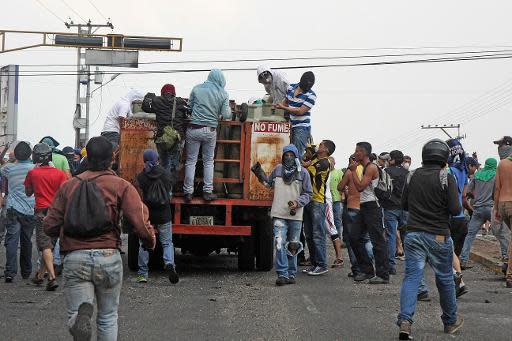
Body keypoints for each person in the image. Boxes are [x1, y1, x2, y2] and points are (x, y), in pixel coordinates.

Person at [44, 136, 156, 341]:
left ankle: (78, 318)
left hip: (75, 257)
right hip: (108, 256)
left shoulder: (69, 186)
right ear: (112, 158)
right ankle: (80, 318)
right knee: (107, 318)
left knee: (75, 314)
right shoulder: (121, 186)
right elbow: (140, 222)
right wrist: (150, 241)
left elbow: (49, 226)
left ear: (87, 157)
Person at [397, 139, 464, 340]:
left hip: (414, 233)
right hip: (439, 235)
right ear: (444, 157)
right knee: (444, 278)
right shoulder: (446, 177)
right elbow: (455, 209)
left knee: (411, 277)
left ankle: (405, 321)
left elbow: (404, 205)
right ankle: (450, 322)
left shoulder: (413, 175)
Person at [252, 144, 312, 285]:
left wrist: (297, 203)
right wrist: (259, 173)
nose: (289, 158)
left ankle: (291, 274)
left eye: (292, 155)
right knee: (279, 243)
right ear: (283, 156)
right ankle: (282, 274)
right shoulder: (278, 169)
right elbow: (268, 185)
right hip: (279, 214)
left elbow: (309, 193)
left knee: (293, 245)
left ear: (296, 156)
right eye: (286, 155)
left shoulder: (303, 172)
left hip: (295, 215)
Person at [183, 69, 231, 202]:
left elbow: (190, 108)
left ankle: (188, 192)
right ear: (221, 80)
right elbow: (227, 115)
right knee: (208, 162)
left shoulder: (197, 89)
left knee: (191, 161)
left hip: (193, 129)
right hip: (210, 131)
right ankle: (207, 192)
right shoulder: (223, 94)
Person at [24, 143, 67, 291]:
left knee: (45, 246)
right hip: (57, 212)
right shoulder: (60, 174)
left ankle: (52, 278)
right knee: (49, 245)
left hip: (41, 211)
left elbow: (28, 192)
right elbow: (65, 193)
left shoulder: (32, 173)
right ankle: (39, 276)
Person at [348, 142, 390, 284]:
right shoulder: (364, 167)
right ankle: (367, 270)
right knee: (354, 237)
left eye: (357, 151)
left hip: (373, 206)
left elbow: (360, 187)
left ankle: (383, 274)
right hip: (364, 206)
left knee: (377, 240)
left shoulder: (371, 167)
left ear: (363, 153)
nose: (355, 153)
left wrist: (353, 171)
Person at [135, 149, 179, 284]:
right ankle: (169, 263)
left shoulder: (141, 177)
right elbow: (171, 187)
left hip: (148, 214)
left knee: (144, 243)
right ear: (157, 160)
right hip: (164, 214)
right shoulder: (165, 174)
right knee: (167, 242)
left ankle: (143, 274)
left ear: (144, 161)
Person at [1, 142, 35, 283]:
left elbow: (2, 166)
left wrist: (6, 154)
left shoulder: (9, 168)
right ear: (30, 154)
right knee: (27, 240)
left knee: (12, 240)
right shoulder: (34, 169)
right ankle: (26, 271)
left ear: (16, 155)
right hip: (30, 209)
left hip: (13, 209)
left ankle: (10, 272)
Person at [459, 158, 502, 268]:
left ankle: (463, 261)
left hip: (477, 209)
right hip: (491, 208)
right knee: (500, 235)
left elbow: (468, 191)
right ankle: (505, 260)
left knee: (470, 235)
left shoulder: (477, 175)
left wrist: (476, 197)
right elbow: (497, 192)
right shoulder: (496, 175)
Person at [301, 140, 336, 276]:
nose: (318, 146)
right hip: (308, 200)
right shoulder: (316, 158)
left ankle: (322, 264)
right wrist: (313, 149)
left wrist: (306, 163)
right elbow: (308, 148)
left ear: (326, 150)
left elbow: (308, 171)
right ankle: (315, 263)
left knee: (318, 234)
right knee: (309, 234)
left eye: (321, 145)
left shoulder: (324, 162)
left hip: (317, 201)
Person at [338, 155, 374, 278]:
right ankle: (369, 266)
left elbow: (340, 187)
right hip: (366, 208)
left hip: (352, 208)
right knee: (366, 239)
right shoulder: (369, 171)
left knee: (352, 241)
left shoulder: (349, 172)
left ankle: (357, 269)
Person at [142, 84, 189, 175]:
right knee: (174, 165)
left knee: (164, 164)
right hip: (176, 138)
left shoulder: (157, 101)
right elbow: (187, 113)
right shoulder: (180, 101)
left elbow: (145, 107)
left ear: (162, 92)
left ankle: (164, 187)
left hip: (161, 138)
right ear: (174, 93)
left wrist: (149, 96)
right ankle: (170, 186)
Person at [446, 138, 470, 296]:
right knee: (453, 251)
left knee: (445, 251)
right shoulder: (464, 170)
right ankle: (458, 280)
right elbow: (463, 198)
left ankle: (457, 281)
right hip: (461, 216)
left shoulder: (448, 171)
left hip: (448, 216)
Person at [276, 71, 316, 159]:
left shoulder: (311, 95)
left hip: (301, 128)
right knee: (288, 153)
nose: (308, 86)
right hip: (290, 126)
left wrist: (283, 107)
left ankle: (298, 171)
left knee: (296, 155)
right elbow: (286, 102)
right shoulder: (290, 87)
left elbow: (300, 111)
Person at [381, 150, 409, 276]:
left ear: (391, 160)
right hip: (405, 208)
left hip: (390, 207)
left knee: (391, 236)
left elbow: (382, 189)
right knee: (407, 236)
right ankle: (411, 264)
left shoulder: (386, 172)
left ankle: (391, 266)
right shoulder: (407, 173)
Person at [494, 136, 512, 288]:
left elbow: (498, 189)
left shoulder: (502, 163)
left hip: (502, 203)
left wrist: (496, 209)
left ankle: (507, 263)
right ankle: (510, 276)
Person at [327, 156, 344, 267]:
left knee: (336, 222)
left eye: (331, 162)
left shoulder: (338, 172)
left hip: (336, 200)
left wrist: (343, 195)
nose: (330, 164)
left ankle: (339, 241)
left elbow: (343, 184)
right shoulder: (325, 172)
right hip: (327, 201)